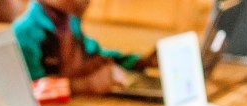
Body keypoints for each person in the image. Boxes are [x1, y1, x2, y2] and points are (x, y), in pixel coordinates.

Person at [12, 0, 151, 98]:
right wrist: (84, 85)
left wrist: (141, 62)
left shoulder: (71, 22)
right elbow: (32, 91)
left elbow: (96, 53)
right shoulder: (26, 32)